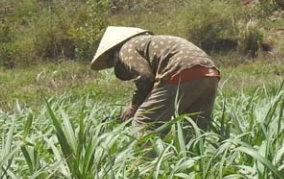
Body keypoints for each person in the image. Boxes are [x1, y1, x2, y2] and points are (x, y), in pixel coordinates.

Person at [90, 27, 221, 136]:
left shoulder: (126, 48)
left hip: (179, 70)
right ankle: (194, 164)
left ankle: (144, 164)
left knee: (144, 122)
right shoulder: (147, 43)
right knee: (192, 129)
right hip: (209, 72)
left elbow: (145, 77)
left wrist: (133, 106)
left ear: (114, 53)